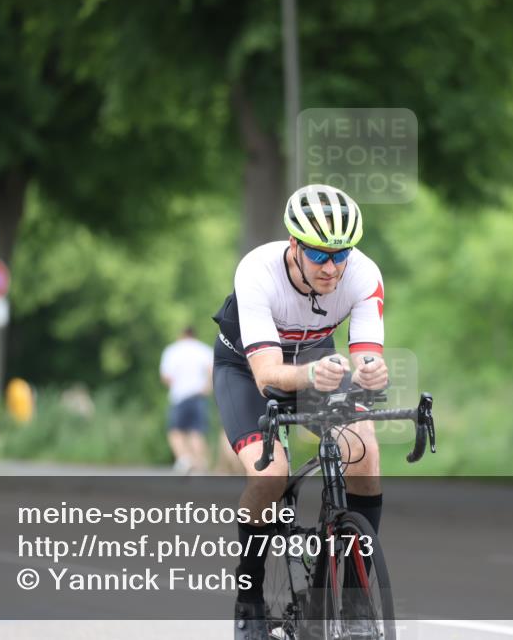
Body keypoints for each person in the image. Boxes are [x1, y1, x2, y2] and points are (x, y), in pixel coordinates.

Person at [212, 185, 389, 639]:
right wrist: (313, 377)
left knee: (364, 451)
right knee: (271, 475)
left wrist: (371, 372)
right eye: (318, 254)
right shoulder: (256, 271)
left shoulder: (364, 274)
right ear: (294, 245)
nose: (331, 267)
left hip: (315, 361)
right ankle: (249, 599)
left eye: (341, 254)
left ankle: (350, 598)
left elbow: (366, 353)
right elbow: (267, 373)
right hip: (247, 368)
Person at [159, 326, 214, 473]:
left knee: (175, 431)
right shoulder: (204, 349)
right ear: (194, 335)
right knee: (196, 432)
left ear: (181, 335)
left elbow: (166, 377)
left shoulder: (172, 350)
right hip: (198, 395)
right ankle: (201, 464)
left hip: (180, 396)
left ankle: (184, 459)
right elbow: (211, 371)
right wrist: (207, 387)